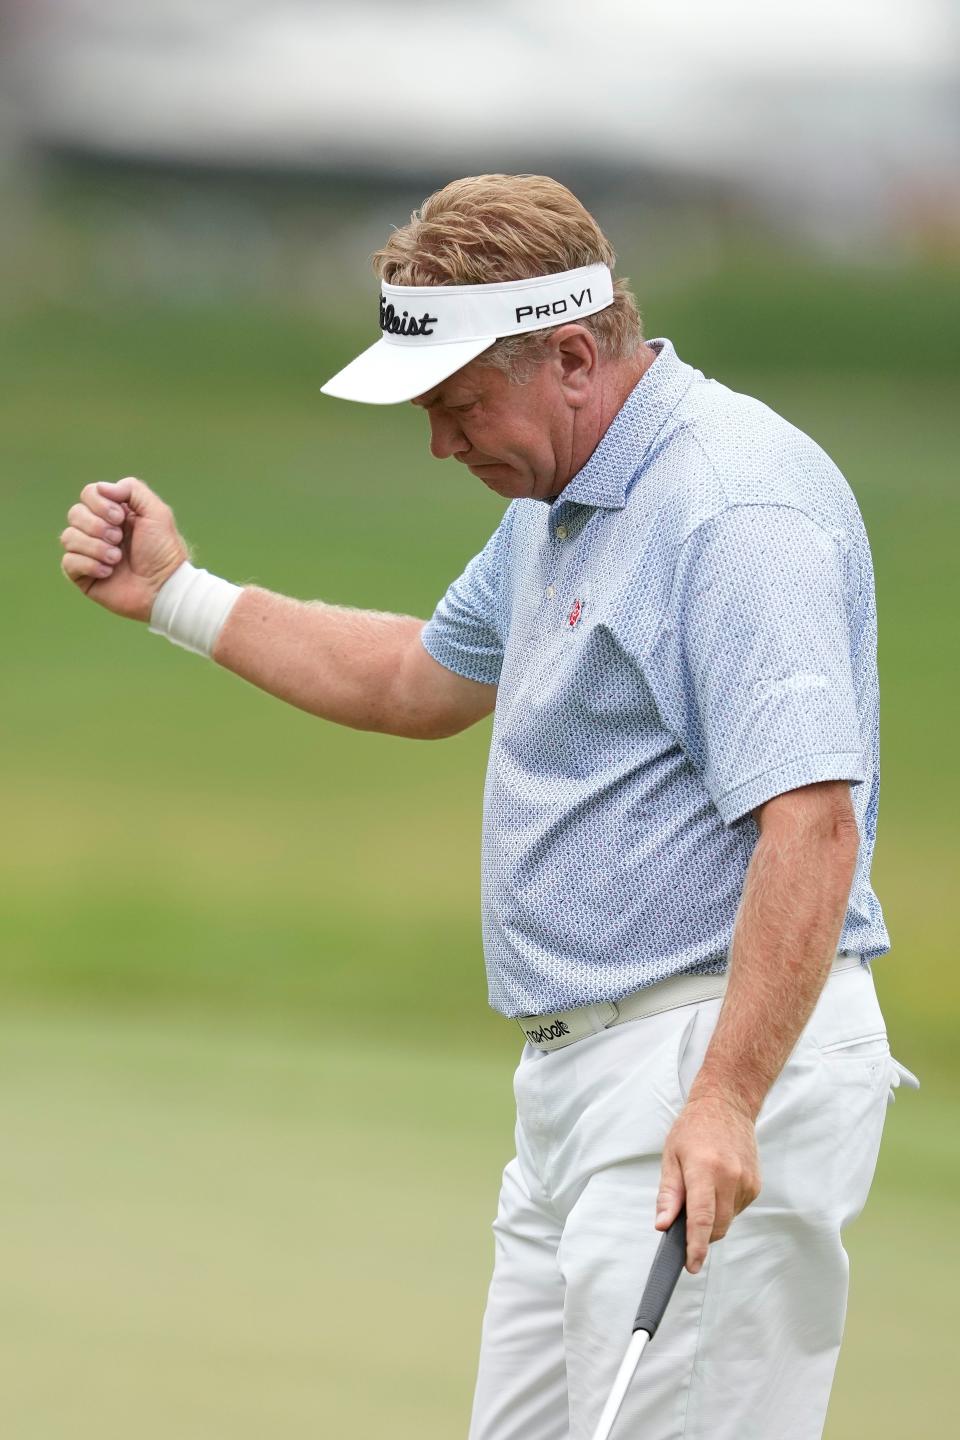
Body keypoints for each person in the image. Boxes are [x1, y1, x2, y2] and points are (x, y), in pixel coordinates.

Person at [59, 173, 917, 1439]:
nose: (442, 443)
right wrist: (179, 595)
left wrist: (729, 1098)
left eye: (462, 405)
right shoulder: (564, 500)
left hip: (707, 1064)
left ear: (572, 354)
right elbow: (418, 678)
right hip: (583, 1085)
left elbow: (813, 820)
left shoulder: (731, 504)